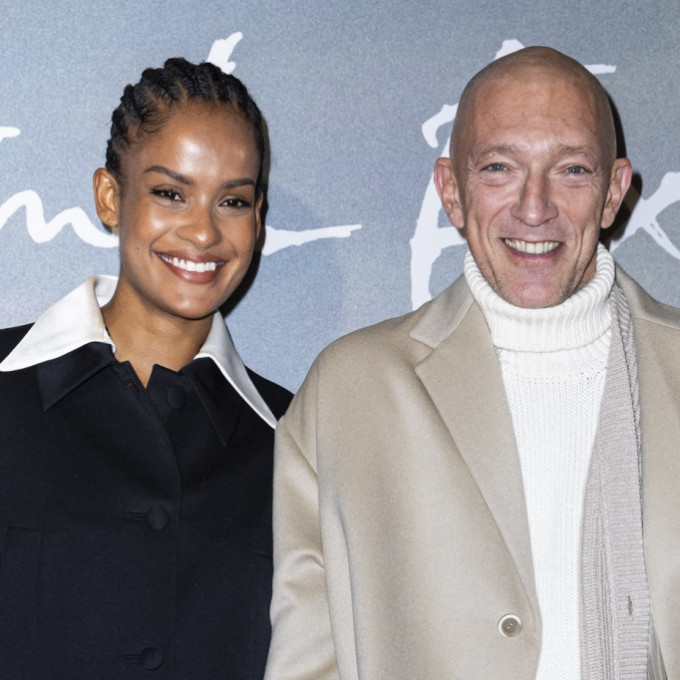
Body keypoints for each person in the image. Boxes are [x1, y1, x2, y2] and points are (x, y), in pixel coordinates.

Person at [265, 47, 679, 679]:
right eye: (498, 168)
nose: (534, 207)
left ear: (613, 192)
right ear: (452, 192)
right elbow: (307, 654)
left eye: (571, 169)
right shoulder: (350, 392)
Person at [0, 58, 291, 679]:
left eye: (232, 201)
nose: (203, 232)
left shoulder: (297, 438)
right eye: (170, 193)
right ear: (111, 196)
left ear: (258, 218)